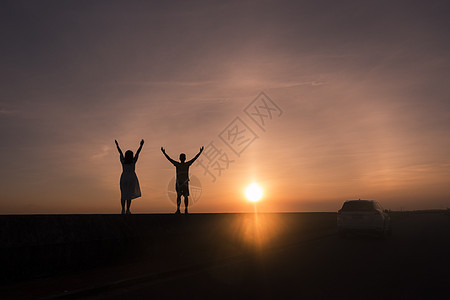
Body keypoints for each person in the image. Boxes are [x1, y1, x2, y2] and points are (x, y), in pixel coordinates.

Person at [161, 146, 204, 214]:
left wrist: (164, 153)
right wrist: (200, 152)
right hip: (182, 183)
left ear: (180, 158)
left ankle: (180, 210)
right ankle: (184, 210)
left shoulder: (179, 164)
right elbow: (194, 159)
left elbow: (169, 159)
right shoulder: (185, 164)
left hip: (181, 183)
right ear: (184, 158)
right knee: (184, 196)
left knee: (180, 196)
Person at [115, 139, 144, 214]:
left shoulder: (123, 161)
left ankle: (122, 209)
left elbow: (120, 153)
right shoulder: (133, 161)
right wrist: (141, 145)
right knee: (129, 195)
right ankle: (128, 209)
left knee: (123, 194)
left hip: (124, 177)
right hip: (131, 178)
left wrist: (117, 145)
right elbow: (138, 153)